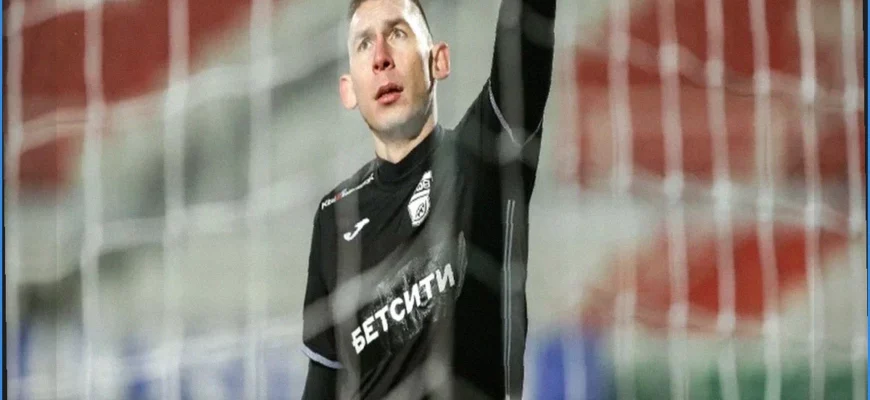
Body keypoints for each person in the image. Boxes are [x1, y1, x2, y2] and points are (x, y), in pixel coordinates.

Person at [301, 0, 556, 398]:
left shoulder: (484, 154)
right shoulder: (334, 216)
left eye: (397, 33)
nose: (381, 57)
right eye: (364, 44)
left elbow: (525, 37)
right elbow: (322, 382)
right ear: (348, 90)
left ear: (439, 61)